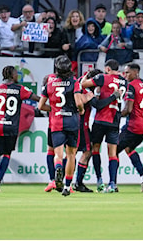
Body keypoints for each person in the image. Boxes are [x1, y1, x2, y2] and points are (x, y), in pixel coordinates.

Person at [0, 65, 47, 192]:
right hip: (11, 127)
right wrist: (47, 103)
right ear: (11, 75)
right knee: (6, 154)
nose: (18, 75)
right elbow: (36, 98)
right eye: (16, 73)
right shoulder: (19, 89)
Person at [38, 55, 85, 197]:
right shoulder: (74, 82)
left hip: (56, 122)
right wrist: (81, 110)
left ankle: (58, 169)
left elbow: (40, 105)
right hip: (72, 121)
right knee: (71, 155)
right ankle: (67, 185)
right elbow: (78, 102)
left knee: (57, 155)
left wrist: (53, 109)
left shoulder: (50, 83)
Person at [81, 59, 127, 193]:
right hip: (115, 120)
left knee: (95, 149)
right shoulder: (124, 82)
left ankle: (99, 180)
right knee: (112, 153)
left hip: (101, 119)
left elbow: (83, 85)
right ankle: (112, 183)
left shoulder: (102, 78)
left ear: (107, 69)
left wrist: (94, 91)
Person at [117, 63, 143, 192]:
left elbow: (128, 109)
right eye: (124, 72)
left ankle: (112, 183)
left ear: (136, 73)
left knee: (113, 151)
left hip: (133, 126)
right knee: (129, 149)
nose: (125, 75)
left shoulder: (131, 86)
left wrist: (116, 115)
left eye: (127, 72)